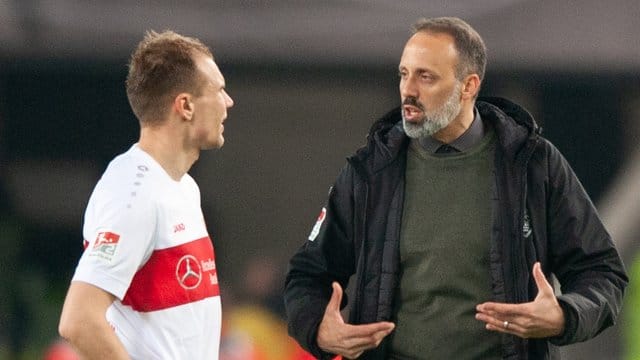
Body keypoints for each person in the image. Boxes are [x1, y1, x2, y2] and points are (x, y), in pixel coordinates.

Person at [284, 16, 627, 359]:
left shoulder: (533, 164)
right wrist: (318, 328)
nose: (408, 90)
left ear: (469, 86)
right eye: (404, 74)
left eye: (426, 77)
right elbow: (308, 274)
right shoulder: (370, 171)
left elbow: (602, 273)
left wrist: (565, 315)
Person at [58, 30, 234, 359]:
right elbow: (79, 320)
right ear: (185, 106)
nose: (228, 102)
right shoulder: (134, 194)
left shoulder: (183, 187)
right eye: (219, 90)